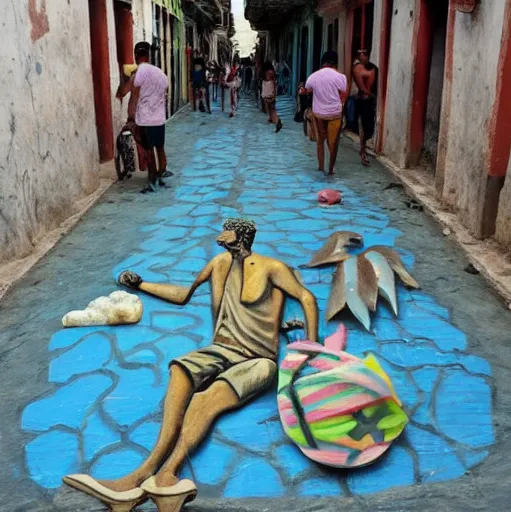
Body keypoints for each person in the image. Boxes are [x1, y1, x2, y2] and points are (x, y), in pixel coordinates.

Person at [63, 219, 318, 511]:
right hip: (220, 349)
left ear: (242, 236)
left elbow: (307, 298)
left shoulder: (272, 267)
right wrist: (142, 284)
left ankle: (167, 474)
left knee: (204, 399)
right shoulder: (219, 263)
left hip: (258, 360)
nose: (221, 236)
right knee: (180, 369)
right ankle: (141, 475)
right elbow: (184, 295)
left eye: (228, 231)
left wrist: (312, 347)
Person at [126, 42, 172, 193]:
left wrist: (130, 117)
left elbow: (134, 96)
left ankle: (152, 180)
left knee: (148, 150)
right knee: (160, 147)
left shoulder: (140, 72)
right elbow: (165, 93)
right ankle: (161, 173)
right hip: (159, 119)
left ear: (136, 56)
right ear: (149, 55)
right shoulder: (160, 73)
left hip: (145, 119)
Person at [300, 51, 348, 176]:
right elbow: (343, 95)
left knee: (320, 141)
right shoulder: (340, 77)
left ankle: (320, 168)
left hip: (319, 114)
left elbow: (307, 90)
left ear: (323, 63)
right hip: (335, 113)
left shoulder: (313, 76)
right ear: (335, 63)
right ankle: (331, 170)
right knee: (333, 143)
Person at [352, 49, 378, 166]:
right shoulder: (358, 68)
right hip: (362, 101)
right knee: (363, 126)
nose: (363, 57)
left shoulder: (372, 67)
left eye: (365, 54)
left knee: (369, 128)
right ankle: (362, 151)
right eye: (361, 55)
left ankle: (363, 149)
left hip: (369, 101)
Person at [261, 62, 283, 133]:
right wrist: (275, 94)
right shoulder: (272, 73)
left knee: (270, 110)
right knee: (273, 109)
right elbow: (274, 83)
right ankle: (276, 121)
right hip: (271, 94)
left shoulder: (265, 74)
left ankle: (276, 122)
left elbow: (265, 84)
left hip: (266, 94)